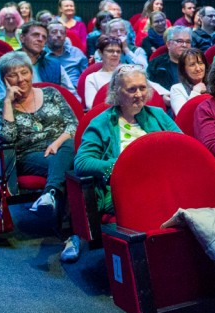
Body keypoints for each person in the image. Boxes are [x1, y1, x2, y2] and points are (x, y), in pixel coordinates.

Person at [0, 51, 80, 261]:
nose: (21, 79)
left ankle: (50, 195)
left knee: (67, 147)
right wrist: (8, 102)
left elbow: (73, 124)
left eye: (24, 72)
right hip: (29, 155)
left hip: (61, 146)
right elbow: (7, 138)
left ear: (32, 73)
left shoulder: (51, 93)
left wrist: (56, 143)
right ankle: (71, 235)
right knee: (70, 169)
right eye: (13, 75)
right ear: (4, 79)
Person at [75, 66, 180, 215]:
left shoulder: (158, 115)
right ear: (117, 92)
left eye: (142, 88)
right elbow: (82, 162)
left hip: (162, 180)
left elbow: (183, 147)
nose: (139, 94)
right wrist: (122, 166)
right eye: (132, 89)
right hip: (125, 186)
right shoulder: (101, 123)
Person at [0, 21, 77, 104]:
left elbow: (72, 96)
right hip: (15, 111)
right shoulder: (3, 65)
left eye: (44, 37)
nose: (40, 39)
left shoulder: (55, 66)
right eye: (35, 35)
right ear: (22, 38)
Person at [146, 26, 192, 103]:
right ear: (168, 44)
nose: (184, 45)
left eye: (188, 42)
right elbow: (149, 88)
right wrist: (161, 97)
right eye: (179, 41)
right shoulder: (156, 64)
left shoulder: (197, 63)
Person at [45, 21, 88, 89]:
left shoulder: (76, 52)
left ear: (65, 37)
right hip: (51, 91)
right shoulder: (41, 54)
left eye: (62, 32)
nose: (59, 35)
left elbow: (86, 77)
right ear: (46, 36)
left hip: (75, 91)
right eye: (54, 32)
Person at [84, 37, 125, 109]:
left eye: (118, 51)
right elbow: (91, 105)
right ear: (100, 53)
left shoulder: (129, 74)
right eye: (110, 51)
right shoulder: (92, 78)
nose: (115, 54)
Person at [169, 47, 208, 117]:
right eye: (192, 65)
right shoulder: (177, 89)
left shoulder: (214, 85)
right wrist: (196, 92)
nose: (198, 68)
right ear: (183, 69)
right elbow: (182, 116)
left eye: (200, 63)